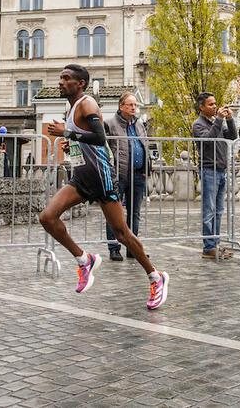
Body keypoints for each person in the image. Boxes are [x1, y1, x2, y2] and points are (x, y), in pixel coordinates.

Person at [40, 64, 168, 310]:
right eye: (60, 77)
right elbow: (86, 140)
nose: (60, 82)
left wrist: (67, 133)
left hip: (101, 178)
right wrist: (72, 144)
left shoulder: (87, 104)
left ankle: (155, 276)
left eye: (66, 78)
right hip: (81, 177)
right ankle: (84, 259)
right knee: (47, 217)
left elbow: (100, 138)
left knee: (122, 234)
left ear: (81, 84)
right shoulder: (71, 106)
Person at [104, 92, 152, 261]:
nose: (134, 108)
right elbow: (105, 149)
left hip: (138, 175)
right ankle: (114, 247)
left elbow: (144, 145)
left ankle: (133, 248)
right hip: (119, 175)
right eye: (130, 105)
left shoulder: (139, 124)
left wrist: (147, 167)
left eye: (135, 105)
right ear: (121, 106)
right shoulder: (110, 124)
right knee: (114, 214)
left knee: (135, 213)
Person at [192, 92, 236, 260]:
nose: (215, 106)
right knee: (209, 211)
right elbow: (208, 140)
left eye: (215, 103)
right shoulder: (198, 124)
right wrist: (218, 120)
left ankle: (215, 244)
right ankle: (208, 246)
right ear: (201, 107)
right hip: (209, 170)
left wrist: (230, 119)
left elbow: (232, 136)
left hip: (221, 169)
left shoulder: (215, 122)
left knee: (218, 210)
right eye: (210, 104)